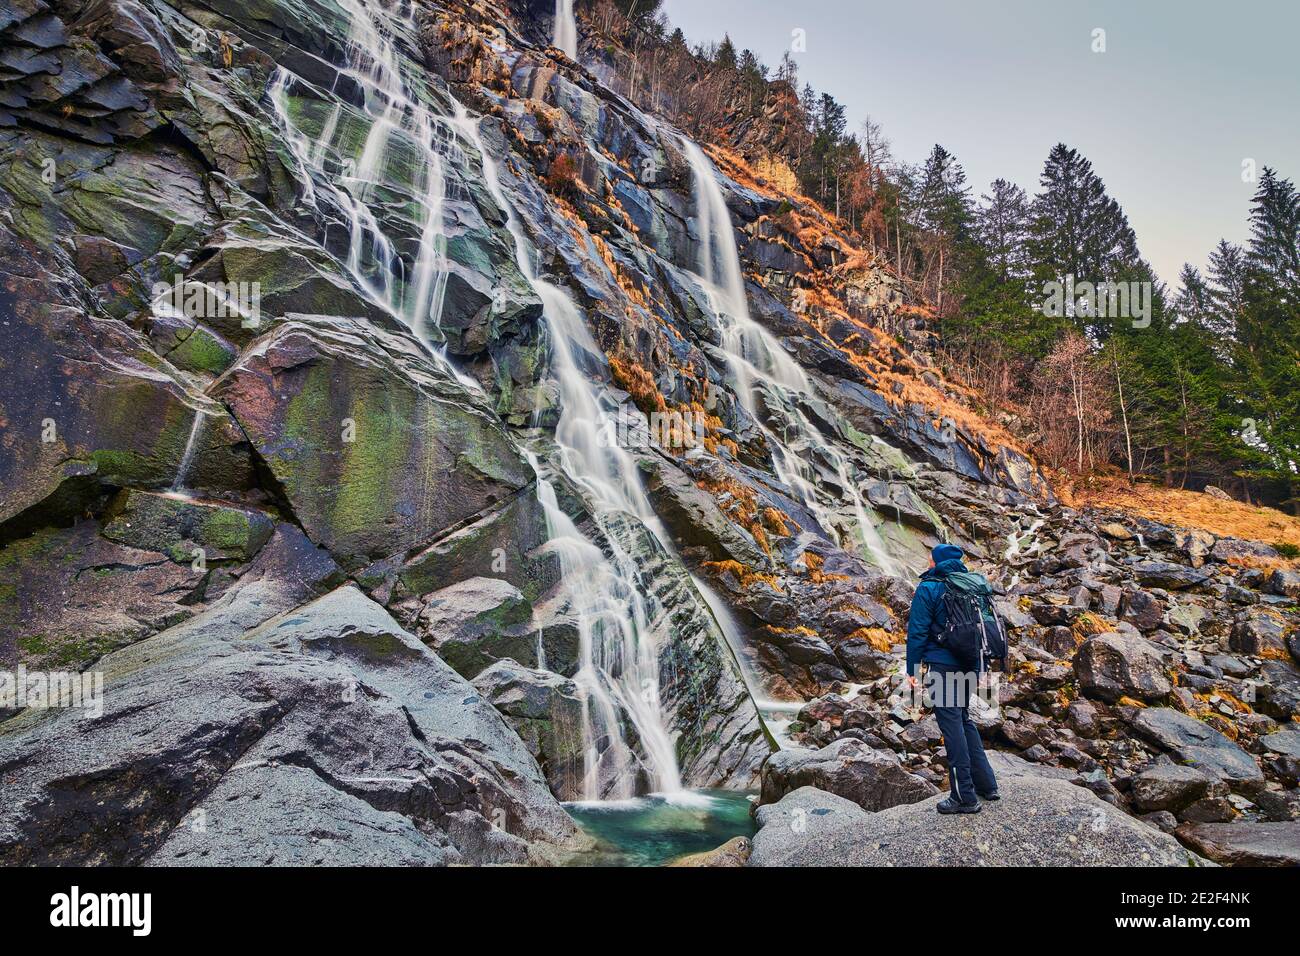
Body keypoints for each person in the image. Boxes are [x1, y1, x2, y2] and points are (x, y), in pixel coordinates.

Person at [905, 543, 999, 813]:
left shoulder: (929, 587)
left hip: (943, 665)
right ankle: (987, 785)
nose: (928, 562)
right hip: (970, 662)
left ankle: (964, 797)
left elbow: (918, 631)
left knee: (952, 727)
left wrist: (912, 668)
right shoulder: (972, 585)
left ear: (936, 561)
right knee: (963, 719)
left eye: (930, 558)